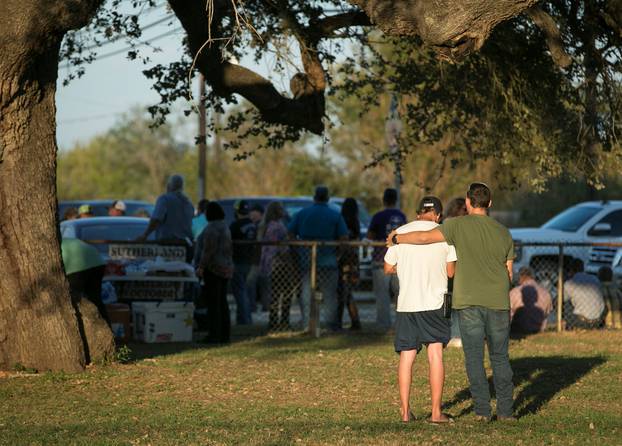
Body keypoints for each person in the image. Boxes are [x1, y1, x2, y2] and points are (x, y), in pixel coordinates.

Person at [388, 182, 515, 421]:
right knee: (500, 356)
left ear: (467, 202)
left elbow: (425, 238)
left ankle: (482, 412)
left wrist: (397, 238)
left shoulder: (455, 225)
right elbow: (509, 273)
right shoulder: (503, 232)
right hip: (498, 301)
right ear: (490, 203)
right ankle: (506, 412)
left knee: (474, 356)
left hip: (467, 300)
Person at [385, 196, 457, 423]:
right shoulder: (444, 233)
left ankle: (405, 412)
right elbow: (451, 272)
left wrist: (406, 269)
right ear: (438, 214)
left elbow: (388, 267)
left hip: (407, 303)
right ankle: (436, 413)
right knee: (435, 354)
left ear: (418, 213)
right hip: (435, 303)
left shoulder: (400, 234)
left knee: (407, 357)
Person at [288, 186, 348, 331]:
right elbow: (344, 238)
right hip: (329, 261)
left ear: (314, 197)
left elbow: (289, 234)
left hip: (306, 260)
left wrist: (296, 252)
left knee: (307, 294)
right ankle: (330, 326)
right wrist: (338, 255)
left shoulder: (302, 213)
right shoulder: (335, 215)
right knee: (329, 296)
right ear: (327, 198)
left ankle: (307, 324)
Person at [367, 188, 407, 331]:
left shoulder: (378, 216)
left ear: (383, 200)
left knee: (382, 295)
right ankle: (401, 324)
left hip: (381, 259)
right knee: (400, 294)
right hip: (399, 260)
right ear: (395, 200)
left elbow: (370, 236)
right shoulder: (401, 216)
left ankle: (384, 325)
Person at [196, 202, 233, 344]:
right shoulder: (225, 226)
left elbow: (208, 250)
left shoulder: (211, 229)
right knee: (223, 303)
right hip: (226, 268)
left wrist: (201, 266)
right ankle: (225, 334)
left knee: (213, 304)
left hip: (214, 269)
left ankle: (214, 334)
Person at [136, 174, 194, 262]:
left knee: (165, 272)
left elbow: (156, 220)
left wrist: (145, 235)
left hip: (168, 247)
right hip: (185, 247)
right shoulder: (189, 204)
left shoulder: (165, 199)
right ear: (182, 187)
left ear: (169, 186)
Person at [259, 201, 295, 331]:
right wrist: (289, 261)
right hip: (279, 263)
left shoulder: (266, 225)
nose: (283, 211)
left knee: (275, 293)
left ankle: (273, 321)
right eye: (280, 209)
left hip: (270, 263)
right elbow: (279, 247)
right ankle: (282, 322)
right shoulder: (277, 226)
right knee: (286, 293)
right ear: (276, 211)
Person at [61, 238, 109, 323]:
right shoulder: (64, 240)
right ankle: (106, 329)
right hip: (97, 261)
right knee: (95, 299)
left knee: (75, 301)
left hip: (76, 265)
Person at [444, 197, 468, 347]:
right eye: (464, 209)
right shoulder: (452, 224)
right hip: (453, 266)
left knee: (454, 303)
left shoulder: (449, 224)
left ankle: (456, 335)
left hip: (457, 267)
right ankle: (455, 335)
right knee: (453, 303)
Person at [229, 200, 257, 325]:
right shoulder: (253, 225)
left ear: (236, 211)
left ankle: (244, 320)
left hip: (237, 261)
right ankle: (245, 319)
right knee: (246, 291)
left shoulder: (235, 226)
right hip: (250, 262)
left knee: (240, 293)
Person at [338, 198, 361, 330]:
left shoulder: (343, 221)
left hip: (345, 261)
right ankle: (353, 321)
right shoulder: (355, 222)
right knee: (346, 293)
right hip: (353, 260)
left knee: (344, 293)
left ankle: (351, 321)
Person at [509, 266, 553, 334]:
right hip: (539, 331)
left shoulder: (514, 292)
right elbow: (547, 314)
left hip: (517, 330)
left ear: (521, 277)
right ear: (533, 276)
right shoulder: (546, 293)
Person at [563, 259, 605, 329]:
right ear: (583, 268)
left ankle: (567, 326)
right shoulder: (595, 278)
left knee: (564, 302)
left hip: (580, 322)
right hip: (598, 321)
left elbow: (560, 300)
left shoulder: (569, 282)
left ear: (571, 270)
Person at [247, 203, 267, 313]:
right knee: (256, 284)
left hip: (260, 260)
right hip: (257, 260)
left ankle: (255, 306)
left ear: (261, 214)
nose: (252, 216)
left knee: (253, 283)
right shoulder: (253, 226)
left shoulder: (262, 226)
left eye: (255, 214)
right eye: (251, 214)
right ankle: (257, 306)